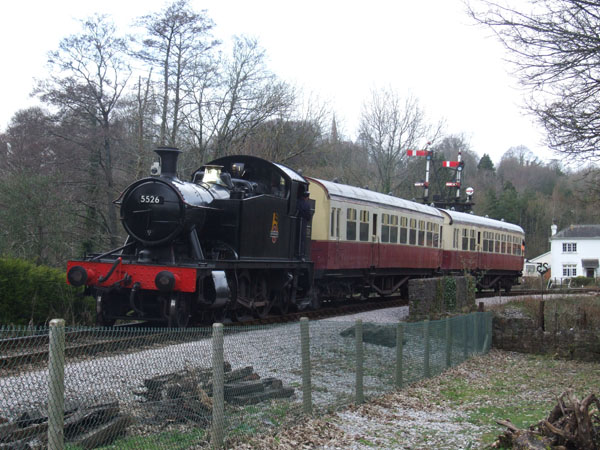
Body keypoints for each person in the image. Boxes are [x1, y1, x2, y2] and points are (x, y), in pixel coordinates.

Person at [297, 189, 313, 259]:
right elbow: (308, 215)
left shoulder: (298, 202)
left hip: (298, 221)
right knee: (302, 238)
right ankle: (301, 254)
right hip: (303, 222)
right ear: (307, 197)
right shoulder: (307, 204)